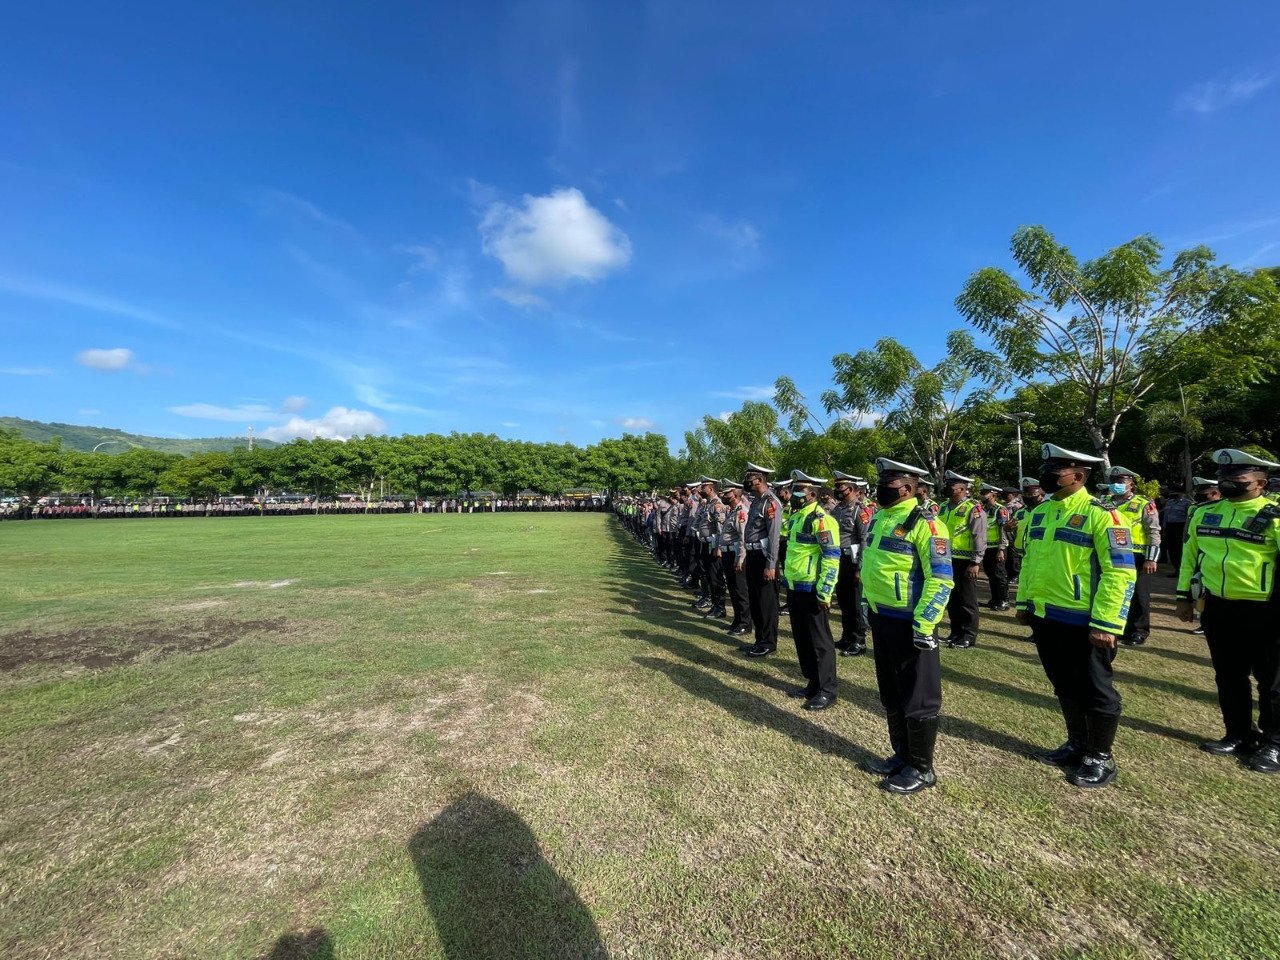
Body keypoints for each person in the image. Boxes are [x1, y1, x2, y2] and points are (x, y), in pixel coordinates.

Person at [1017, 444, 1136, 789]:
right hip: (1046, 615)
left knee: (1097, 690)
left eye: (1056, 471)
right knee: (1065, 686)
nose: (1047, 476)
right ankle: (1077, 745)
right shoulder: (1040, 513)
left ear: (1079, 476)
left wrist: (1106, 623)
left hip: (1086, 622)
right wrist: (1025, 603)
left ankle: (1101, 756)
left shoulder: (1104, 514)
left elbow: (1119, 572)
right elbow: (1028, 561)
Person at [1175, 449, 1280, 774]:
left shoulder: (1274, 516)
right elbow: (1190, 552)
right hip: (1218, 606)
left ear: (1261, 483)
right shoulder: (1206, 512)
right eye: (1224, 477)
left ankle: (1274, 743)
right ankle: (1239, 733)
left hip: (1264, 608)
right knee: (1229, 675)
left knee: (1272, 680)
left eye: (1238, 478)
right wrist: (1183, 596)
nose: (1227, 482)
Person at [859, 458, 954, 794]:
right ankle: (901, 755)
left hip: (912, 623)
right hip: (882, 617)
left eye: (891, 482)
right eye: (882, 480)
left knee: (919, 697)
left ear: (909, 487)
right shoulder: (880, 519)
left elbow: (940, 579)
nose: (883, 487)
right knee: (892, 692)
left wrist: (925, 624)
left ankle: (922, 767)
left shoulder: (927, 525)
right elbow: (873, 566)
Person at [780, 471, 842, 711]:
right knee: (802, 638)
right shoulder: (796, 518)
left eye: (799, 491)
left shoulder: (823, 520)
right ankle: (813, 682)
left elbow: (831, 557)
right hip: (795, 586)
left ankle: (828, 689)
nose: (794, 494)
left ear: (813, 495)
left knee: (820, 641)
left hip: (813, 589)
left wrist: (825, 591)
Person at [1106, 465, 1161, 647]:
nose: (1116, 485)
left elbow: (1153, 531)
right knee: (1116, 591)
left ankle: (1139, 631)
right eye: (1113, 481)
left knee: (1138, 594)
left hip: (1136, 555)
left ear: (1131, 484)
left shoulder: (1144, 503)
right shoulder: (1105, 501)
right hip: (1111, 553)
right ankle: (1123, 627)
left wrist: (1151, 558)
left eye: (1121, 482)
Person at [937, 471, 986, 648]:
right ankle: (955, 632)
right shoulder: (942, 507)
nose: (948, 489)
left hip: (965, 561)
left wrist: (975, 562)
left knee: (967, 600)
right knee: (952, 599)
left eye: (951, 487)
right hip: (945, 559)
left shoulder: (973, 508)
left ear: (962, 489)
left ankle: (968, 635)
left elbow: (979, 536)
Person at [741, 463, 783, 658]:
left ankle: (768, 642)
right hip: (752, 555)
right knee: (756, 600)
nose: (747, 481)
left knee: (766, 602)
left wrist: (771, 564)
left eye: (750, 477)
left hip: (764, 557)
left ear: (759, 480)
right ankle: (759, 639)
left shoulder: (771, 502)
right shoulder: (757, 501)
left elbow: (774, 536)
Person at [831, 470, 869, 657]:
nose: (838, 491)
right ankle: (847, 636)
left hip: (853, 560)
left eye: (842, 488)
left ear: (852, 489)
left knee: (855, 603)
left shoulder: (860, 510)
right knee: (844, 601)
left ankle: (859, 640)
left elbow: (864, 540)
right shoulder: (837, 509)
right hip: (839, 558)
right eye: (836, 487)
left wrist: (860, 567)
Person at [717, 481, 753, 638]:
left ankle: (745, 623)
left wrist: (740, 558)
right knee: (732, 588)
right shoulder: (731, 511)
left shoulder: (741, 512)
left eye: (727, 493)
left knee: (740, 590)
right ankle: (738, 619)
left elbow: (743, 537)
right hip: (727, 553)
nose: (724, 496)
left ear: (736, 495)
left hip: (736, 555)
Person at [979, 483, 1012, 611]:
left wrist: (1001, 549)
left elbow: (1003, 530)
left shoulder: (1000, 509)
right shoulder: (982, 509)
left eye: (985, 493)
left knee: (1000, 575)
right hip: (986, 548)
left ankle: (1004, 600)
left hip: (998, 548)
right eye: (982, 493)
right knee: (990, 574)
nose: (982, 495)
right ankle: (995, 599)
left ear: (993, 494)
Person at [1161, 487, 1193, 575]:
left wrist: (1186, 530)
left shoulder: (1187, 503)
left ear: (1181, 493)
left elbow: (1189, 517)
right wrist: (1164, 527)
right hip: (1169, 527)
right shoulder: (1169, 502)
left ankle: (1182, 569)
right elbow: (1165, 516)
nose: (1172, 494)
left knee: (1180, 549)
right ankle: (1176, 568)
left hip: (1180, 527)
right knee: (1171, 549)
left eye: (1174, 492)